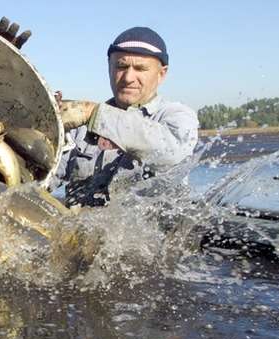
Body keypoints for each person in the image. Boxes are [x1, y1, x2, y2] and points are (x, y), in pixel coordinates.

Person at [54, 26, 199, 206]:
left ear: (162, 74)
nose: (128, 77)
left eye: (140, 68)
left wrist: (93, 114)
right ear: (109, 67)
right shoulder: (79, 127)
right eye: (121, 66)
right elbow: (41, 178)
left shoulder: (176, 116)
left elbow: (172, 152)